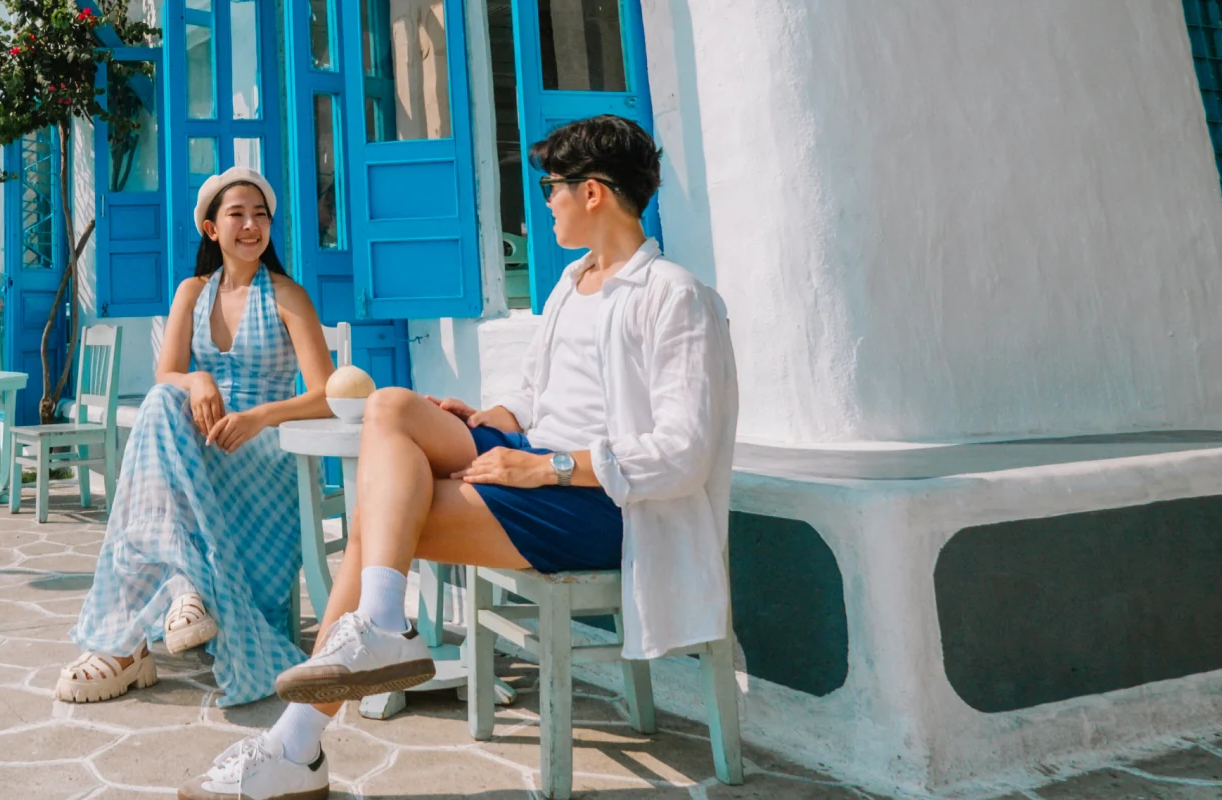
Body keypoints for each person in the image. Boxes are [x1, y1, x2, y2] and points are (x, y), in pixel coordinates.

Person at [179, 115, 738, 799]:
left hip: (604, 503)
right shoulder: (570, 285)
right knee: (390, 407)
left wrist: (545, 468)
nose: (546, 200)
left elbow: (683, 454)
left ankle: (297, 745)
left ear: (593, 193)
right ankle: (376, 633)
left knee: (376, 527)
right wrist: (485, 421)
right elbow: (534, 400)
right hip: (538, 464)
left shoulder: (672, 295)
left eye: (552, 187)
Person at [60, 166, 340, 707]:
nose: (251, 225)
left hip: (264, 451)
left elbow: (327, 393)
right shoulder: (192, 292)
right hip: (203, 447)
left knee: (159, 427)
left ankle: (133, 635)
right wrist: (197, 378)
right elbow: (167, 376)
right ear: (212, 229)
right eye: (237, 214)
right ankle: (177, 597)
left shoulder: (288, 295)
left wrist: (258, 417)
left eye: (260, 215)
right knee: (164, 401)